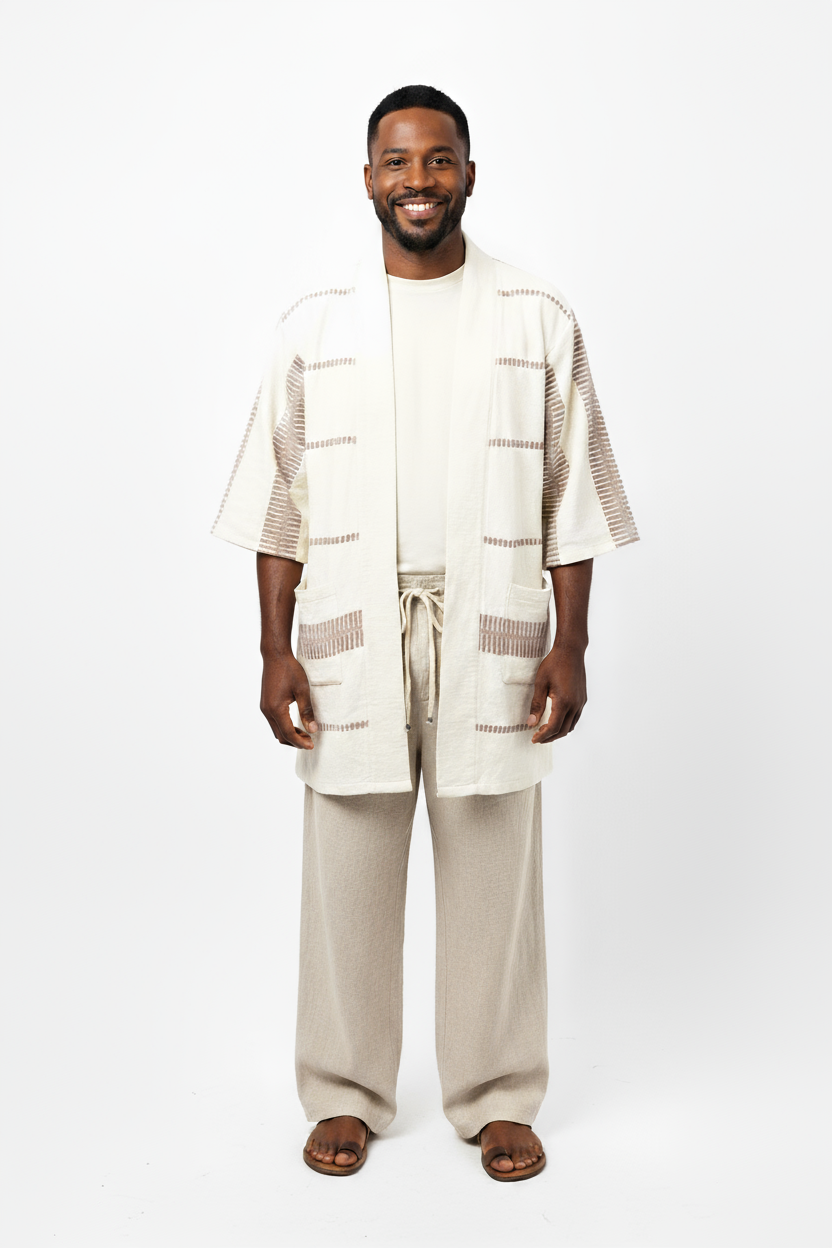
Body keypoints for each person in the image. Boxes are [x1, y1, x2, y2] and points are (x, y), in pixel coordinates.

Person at [212, 84, 638, 1181]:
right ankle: (345, 1091)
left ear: (469, 174)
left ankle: (496, 1095)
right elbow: (278, 502)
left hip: (490, 623)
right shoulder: (315, 325)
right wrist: (273, 649)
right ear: (368, 179)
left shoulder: (535, 316)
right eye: (397, 161)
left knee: (495, 869)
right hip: (352, 629)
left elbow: (571, 497)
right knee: (346, 867)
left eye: (438, 159)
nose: (418, 179)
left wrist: (571, 645)